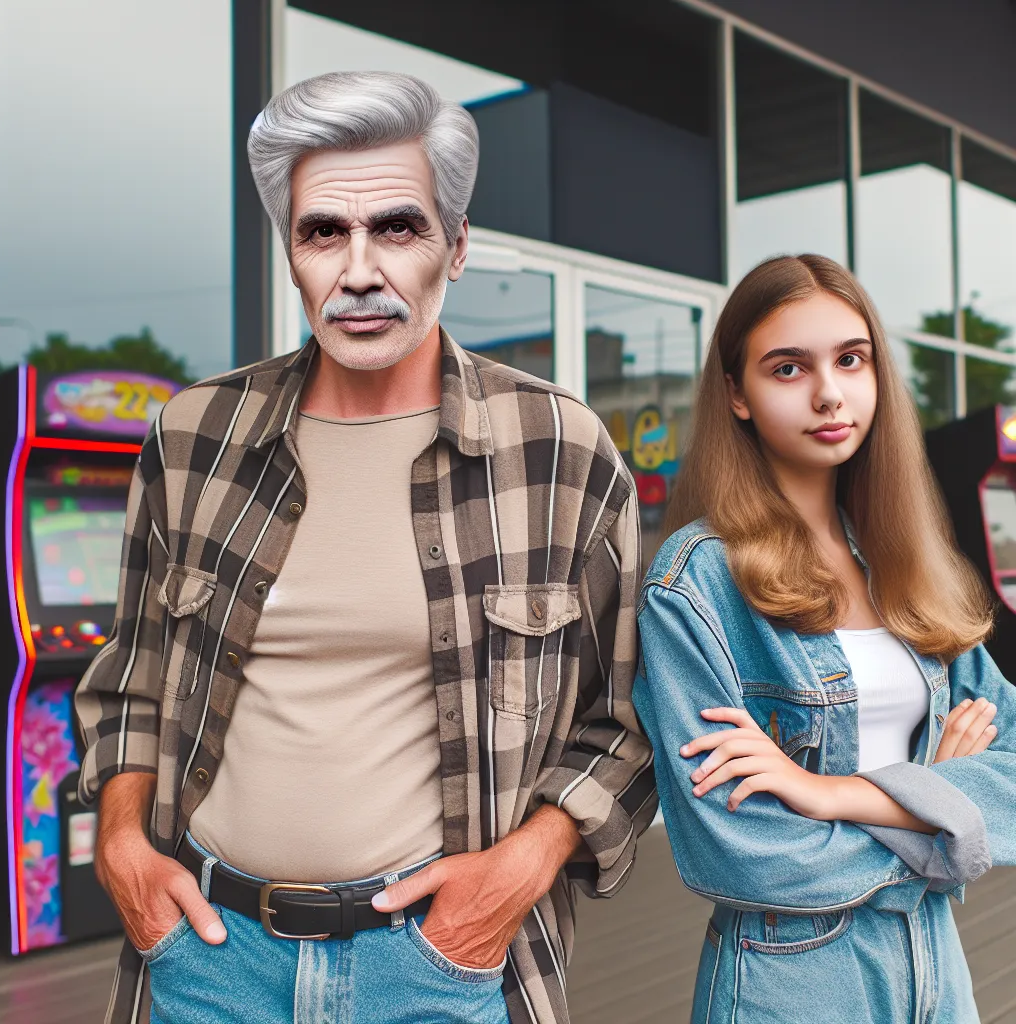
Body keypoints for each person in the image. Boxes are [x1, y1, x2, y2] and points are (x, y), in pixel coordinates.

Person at [75, 71, 655, 1024]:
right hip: (207, 959)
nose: (357, 271)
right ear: (291, 253)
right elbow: (134, 674)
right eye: (321, 233)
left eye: (397, 227)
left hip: (442, 964)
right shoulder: (193, 436)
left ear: (455, 245)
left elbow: (625, 721)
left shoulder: (556, 449)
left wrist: (519, 872)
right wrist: (124, 848)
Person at [633, 253, 1016, 1022]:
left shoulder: (906, 562)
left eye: (850, 359)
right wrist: (940, 811)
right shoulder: (697, 582)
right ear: (737, 395)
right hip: (795, 979)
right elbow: (737, 851)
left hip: (938, 968)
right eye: (788, 368)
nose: (829, 392)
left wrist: (823, 791)